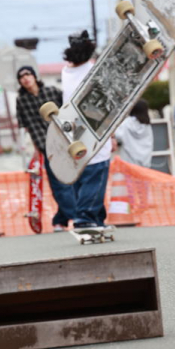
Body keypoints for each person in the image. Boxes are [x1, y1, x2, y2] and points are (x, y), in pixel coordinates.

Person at [15, 64, 76, 229]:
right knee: (58, 184)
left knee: (73, 181)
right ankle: (77, 217)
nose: (25, 78)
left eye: (28, 74)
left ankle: (61, 220)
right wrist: (35, 150)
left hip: (65, 142)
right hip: (45, 147)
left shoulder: (52, 92)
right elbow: (25, 126)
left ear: (35, 76)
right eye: (21, 77)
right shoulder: (21, 100)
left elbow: (69, 110)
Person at [61, 32, 110, 230]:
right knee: (96, 175)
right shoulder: (94, 70)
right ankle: (85, 217)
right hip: (95, 128)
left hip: (73, 131)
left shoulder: (66, 73)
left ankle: (98, 218)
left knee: (81, 177)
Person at [114, 98, 154, 167]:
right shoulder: (147, 125)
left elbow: (118, 136)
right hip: (144, 162)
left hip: (128, 161)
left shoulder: (127, 123)